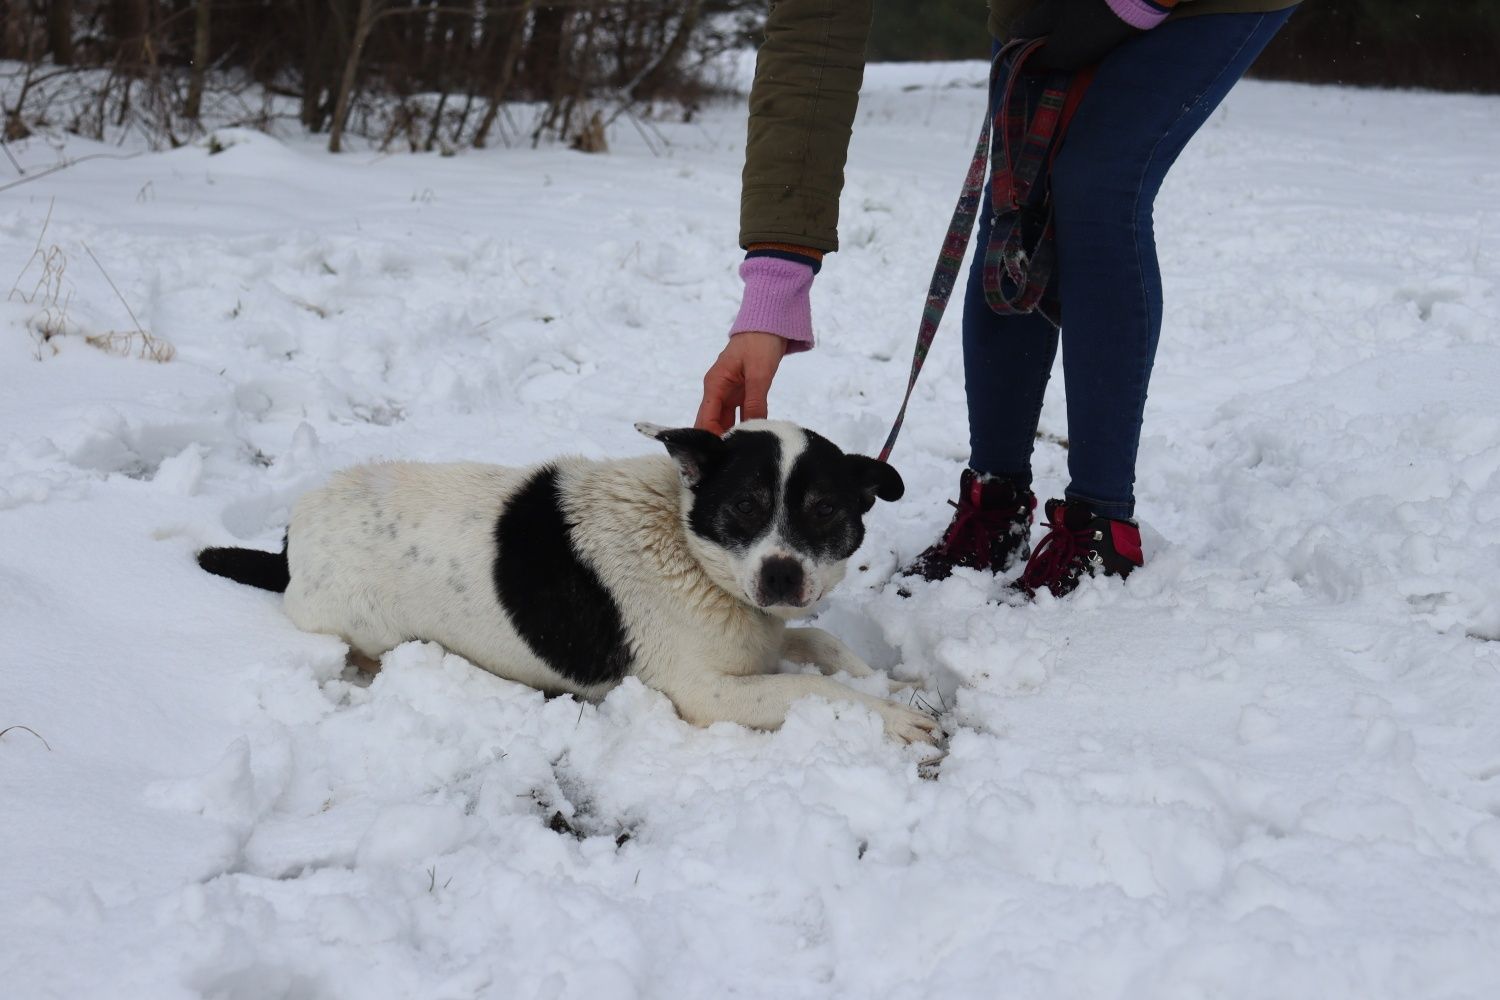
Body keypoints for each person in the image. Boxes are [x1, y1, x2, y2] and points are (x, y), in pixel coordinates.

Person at [694, 0, 1299, 598]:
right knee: (1016, 198)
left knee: (1096, 182)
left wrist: (1130, 6)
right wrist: (774, 286)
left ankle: (1102, 524)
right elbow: (814, 39)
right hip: (1040, 13)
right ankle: (996, 498)